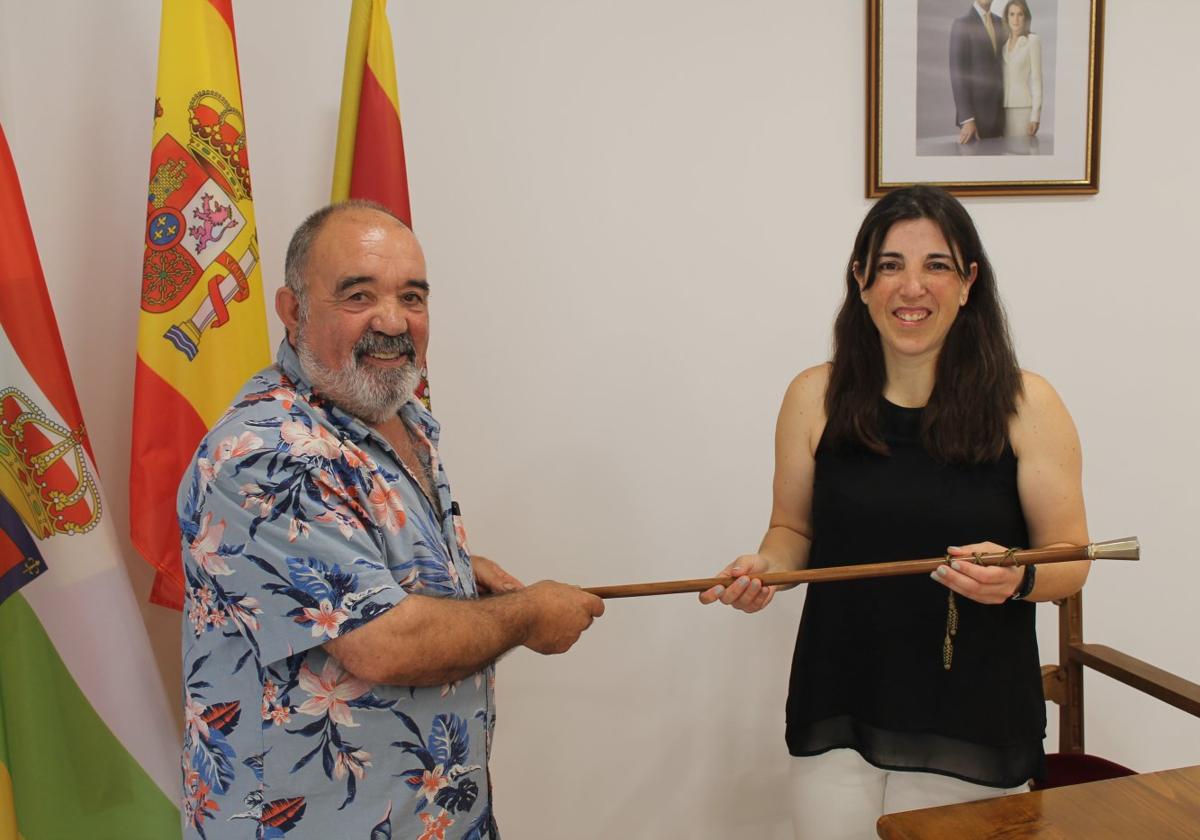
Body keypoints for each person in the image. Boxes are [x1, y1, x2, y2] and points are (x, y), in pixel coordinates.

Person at [177, 200, 604, 839]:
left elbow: (354, 560)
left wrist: (454, 572)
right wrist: (530, 615)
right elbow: (382, 643)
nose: (392, 320)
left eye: (412, 296)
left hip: (430, 816)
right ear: (293, 311)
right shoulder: (268, 452)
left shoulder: (397, 417)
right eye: (357, 295)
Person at [699, 185, 1089, 839]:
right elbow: (794, 529)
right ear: (861, 281)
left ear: (968, 283)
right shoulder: (812, 397)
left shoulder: (1028, 404)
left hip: (972, 723)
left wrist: (1018, 577)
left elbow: (1071, 559)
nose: (912, 287)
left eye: (937, 265)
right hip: (839, 707)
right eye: (889, 265)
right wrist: (766, 565)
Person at [950, 1, 1006, 142]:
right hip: (976, 118)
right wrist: (967, 119)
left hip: (1001, 116)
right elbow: (958, 74)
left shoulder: (1000, 22)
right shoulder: (962, 24)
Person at [1002, 0, 1042, 139]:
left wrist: (1035, 117)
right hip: (1002, 109)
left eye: (1020, 14)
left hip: (1022, 109)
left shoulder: (1032, 40)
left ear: (1026, 17)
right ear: (1007, 17)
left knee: (1020, 153)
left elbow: (1036, 81)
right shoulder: (1003, 43)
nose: (1016, 19)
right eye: (1012, 14)